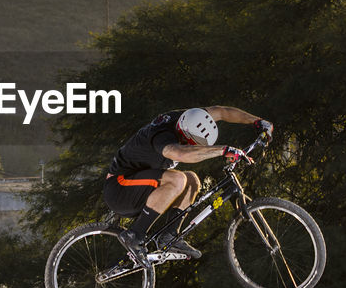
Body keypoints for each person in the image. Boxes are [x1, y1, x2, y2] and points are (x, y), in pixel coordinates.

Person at [103, 106, 273, 262]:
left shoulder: (190, 117)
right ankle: (134, 235)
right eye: (188, 143)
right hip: (119, 188)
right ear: (183, 133)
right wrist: (222, 150)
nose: (189, 146)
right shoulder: (162, 135)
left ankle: (169, 235)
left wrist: (258, 121)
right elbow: (180, 154)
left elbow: (221, 112)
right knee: (178, 179)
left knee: (192, 180)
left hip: (138, 188)